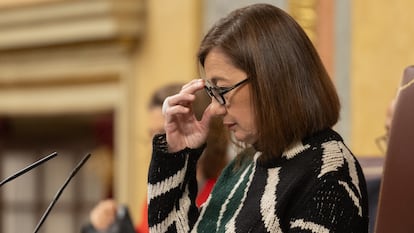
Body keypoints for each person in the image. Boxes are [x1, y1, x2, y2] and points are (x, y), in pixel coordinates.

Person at [148, 3, 368, 233]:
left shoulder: (329, 170)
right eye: (212, 92)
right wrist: (176, 155)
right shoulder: (245, 164)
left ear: (270, 80)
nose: (215, 109)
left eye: (222, 90)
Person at [83, 83, 229, 232]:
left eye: (163, 133)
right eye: (151, 135)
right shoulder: (156, 195)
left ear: (195, 128)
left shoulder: (224, 194)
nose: (153, 145)